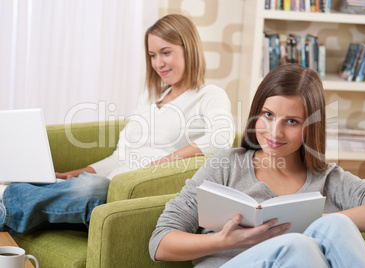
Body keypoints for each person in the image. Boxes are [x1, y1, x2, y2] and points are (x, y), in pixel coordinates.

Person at [0, 14, 234, 236]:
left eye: (165, 52)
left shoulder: (209, 96)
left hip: (137, 192)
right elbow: (119, 158)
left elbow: (221, 137)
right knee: (84, 185)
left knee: (93, 189)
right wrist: (72, 175)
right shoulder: (149, 98)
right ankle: (14, 203)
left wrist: (161, 162)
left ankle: (5, 206)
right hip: (108, 185)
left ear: (188, 49)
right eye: (152, 55)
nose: (158, 63)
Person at [149, 64, 365, 268]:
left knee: (336, 225)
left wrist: (319, 221)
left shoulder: (327, 178)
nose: (274, 131)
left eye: (291, 121)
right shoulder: (226, 165)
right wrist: (222, 240)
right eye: (268, 115)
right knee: (297, 245)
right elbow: (160, 243)